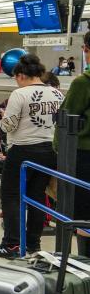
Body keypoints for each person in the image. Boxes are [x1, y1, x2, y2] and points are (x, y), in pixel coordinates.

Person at [0, 55, 65, 258]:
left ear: (21, 75)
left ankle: (11, 244)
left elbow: (8, 126)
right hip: (50, 151)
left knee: (11, 196)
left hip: (22, 151)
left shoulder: (19, 94)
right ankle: (32, 244)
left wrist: (4, 120)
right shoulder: (57, 94)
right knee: (37, 196)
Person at [55, 31, 90, 245]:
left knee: (83, 216)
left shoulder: (83, 83)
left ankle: (84, 265)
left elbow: (65, 118)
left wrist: (58, 151)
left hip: (84, 157)